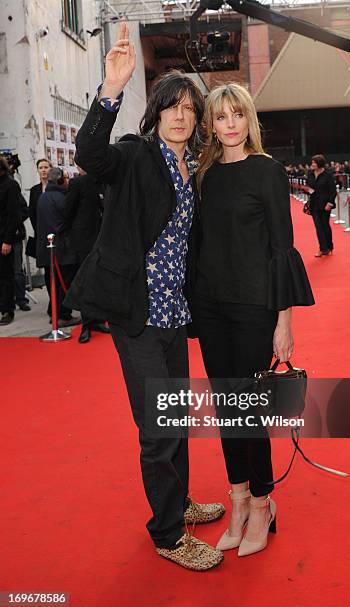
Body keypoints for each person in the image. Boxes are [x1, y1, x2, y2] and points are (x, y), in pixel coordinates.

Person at [64, 22, 224, 571]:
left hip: (175, 317)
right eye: (170, 107)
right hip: (137, 316)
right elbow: (89, 153)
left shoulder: (192, 170)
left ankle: (177, 503)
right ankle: (167, 534)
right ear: (155, 113)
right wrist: (111, 90)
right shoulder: (135, 157)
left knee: (176, 419)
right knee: (158, 428)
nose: (180, 116)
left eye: (187, 108)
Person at [194, 83, 314, 558]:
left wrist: (284, 321)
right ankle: (238, 500)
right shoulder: (203, 175)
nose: (229, 124)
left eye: (236, 115)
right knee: (227, 409)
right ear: (212, 124)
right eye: (221, 117)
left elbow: (280, 250)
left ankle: (263, 503)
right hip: (210, 305)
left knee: (248, 410)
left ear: (248, 120)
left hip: (253, 308)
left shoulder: (269, 172)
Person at [62, 166, 109, 343]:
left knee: (100, 281)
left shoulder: (104, 181)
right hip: (84, 241)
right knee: (86, 282)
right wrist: (67, 235)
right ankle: (87, 324)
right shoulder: (77, 183)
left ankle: (98, 320)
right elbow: (68, 211)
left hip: (103, 239)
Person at [36, 167, 81, 327]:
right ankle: (63, 315)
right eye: (66, 179)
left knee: (53, 283)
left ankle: (55, 312)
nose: (68, 182)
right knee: (63, 284)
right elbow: (68, 222)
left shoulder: (44, 197)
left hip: (50, 250)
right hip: (62, 250)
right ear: (60, 181)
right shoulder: (62, 199)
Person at [0, 156, 22, 325]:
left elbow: (13, 215)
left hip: (4, 238)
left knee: (6, 276)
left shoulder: (11, 185)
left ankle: (8, 310)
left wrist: (7, 240)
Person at [304, 154, 336, 257]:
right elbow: (308, 186)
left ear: (319, 163)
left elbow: (333, 190)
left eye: (314, 162)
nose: (312, 164)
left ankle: (329, 246)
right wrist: (307, 190)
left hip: (325, 204)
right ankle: (323, 249)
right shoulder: (310, 173)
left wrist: (330, 203)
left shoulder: (328, 174)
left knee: (325, 226)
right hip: (314, 204)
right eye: (312, 162)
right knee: (318, 226)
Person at [28, 159, 52, 257]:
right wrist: (37, 229)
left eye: (46, 167)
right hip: (40, 231)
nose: (43, 170)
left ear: (51, 169)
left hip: (54, 230)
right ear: (37, 170)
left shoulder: (57, 187)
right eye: (40, 168)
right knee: (45, 261)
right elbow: (32, 212)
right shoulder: (34, 190)